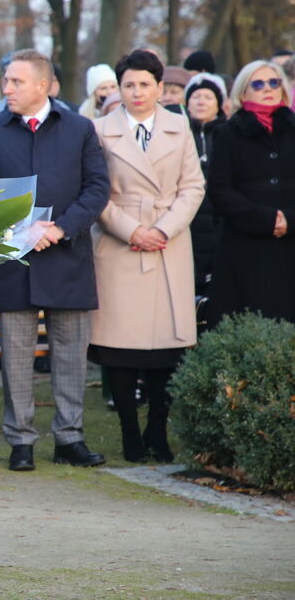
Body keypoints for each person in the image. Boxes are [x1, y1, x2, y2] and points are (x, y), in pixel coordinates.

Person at [0, 48, 110, 472]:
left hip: (68, 256)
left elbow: (97, 188)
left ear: (44, 85)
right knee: (15, 356)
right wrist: (21, 230)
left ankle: (70, 438)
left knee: (71, 354)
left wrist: (59, 228)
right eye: (6, 80)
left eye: (16, 81)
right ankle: (21, 441)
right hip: (16, 261)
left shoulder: (79, 128)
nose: (6, 88)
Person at [89, 50, 205, 463]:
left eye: (144, 84)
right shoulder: (99, 129)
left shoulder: (179, 126)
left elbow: (193, 186)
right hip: (120, 244)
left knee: (164, 349)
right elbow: (93, 190)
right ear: (119, 89)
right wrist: (131, 230)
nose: (136, 92)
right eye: (128, 85)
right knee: (120, 347)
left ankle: (158, 429)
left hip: (168, 244)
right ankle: (128, 434)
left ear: (160, 87)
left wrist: (162, 230)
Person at [206, 60, 295, 327]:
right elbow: (220, 190)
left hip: (291, 243)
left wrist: (289, 219)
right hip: (243, 248)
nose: (267, 88)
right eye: (258, 84)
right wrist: (267, 220)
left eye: (273, 82)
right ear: (243, 93)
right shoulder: (227, 134)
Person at [184, 72, 228, 296]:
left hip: (219, 216)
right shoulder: (180, 134)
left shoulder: (228, 134)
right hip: (188, 219)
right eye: (196, 97)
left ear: (219, 104)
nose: (201, 101)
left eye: (208, 97)